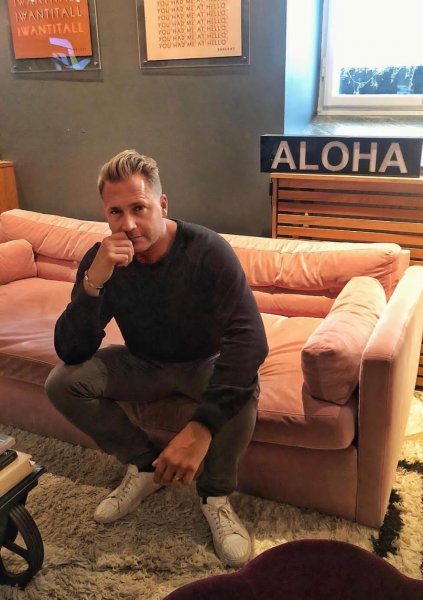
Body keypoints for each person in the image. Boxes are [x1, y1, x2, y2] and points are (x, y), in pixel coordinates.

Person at [45, 149, 268, 568]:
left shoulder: (206, 250)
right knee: (62, 383)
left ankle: (215, 494)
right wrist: (93, 284)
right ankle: (144, 466)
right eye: (115, 212)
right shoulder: (102, 259)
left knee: (242, 390)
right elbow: (71, 351)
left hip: (203, 361)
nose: (128, 224)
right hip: (143, 362)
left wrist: (200, 429)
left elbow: (251, 340)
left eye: (139, 208)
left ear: (162, 205)